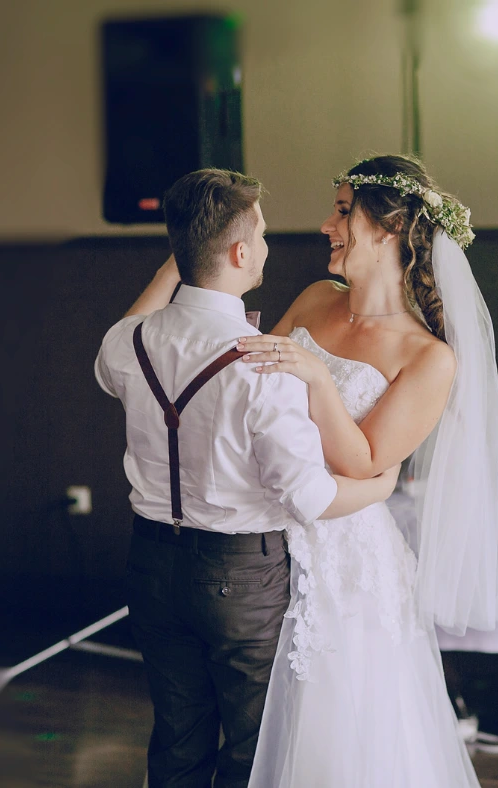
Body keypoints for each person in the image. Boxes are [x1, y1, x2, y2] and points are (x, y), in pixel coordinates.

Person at [94, 168, 399, 788]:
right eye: (259, 234)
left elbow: (113, 356)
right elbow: (308, 495)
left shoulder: (128, 343)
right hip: (240, 578)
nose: (265, 245)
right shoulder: (266, 365)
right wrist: (382, 484)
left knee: (177, 741)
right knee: (253, 752)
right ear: (239, 253)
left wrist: (182, 255)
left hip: (151, 565)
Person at [237, 155, 498, 787]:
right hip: (264, 528)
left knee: (334, 735)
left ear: (390, 228)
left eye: (342, 211)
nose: (326, 225)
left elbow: (364, 459)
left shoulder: (429, 356)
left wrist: (316, 377)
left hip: (347, 563)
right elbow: (255, 390)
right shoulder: (315, 299)